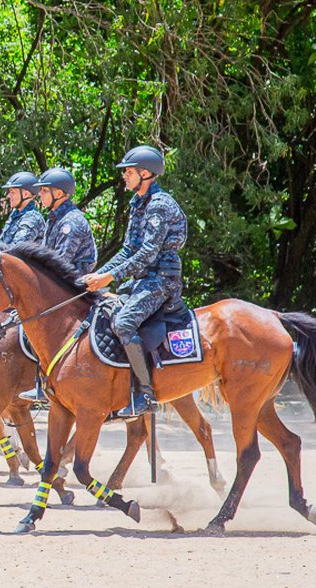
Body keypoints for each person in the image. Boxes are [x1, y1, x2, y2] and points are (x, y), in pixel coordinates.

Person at [80, 146, 187, 419]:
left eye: (129, 172)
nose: (124, 177)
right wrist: (98, 276)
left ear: (146, 173)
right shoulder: (138, 202)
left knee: (124, 322)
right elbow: (128, 249)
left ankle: (147, 395)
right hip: (141, 278)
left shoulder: (160, 205)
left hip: (162, 279)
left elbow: (148, 253)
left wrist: (110, 276)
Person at [16, 167, 97, 403]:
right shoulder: (55, 219)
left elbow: (59, 261)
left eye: (44, 191)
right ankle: (42, 381)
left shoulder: (70, 222)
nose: (39, 195)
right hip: (59, 284)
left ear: (59, 193)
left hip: (74, 286)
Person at [0, 171, 44, 247]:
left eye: (12, 192)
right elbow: (0, 241)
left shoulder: (32, 218)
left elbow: (16, 249)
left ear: (26, 194)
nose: (8, 196)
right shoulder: (15, 213)